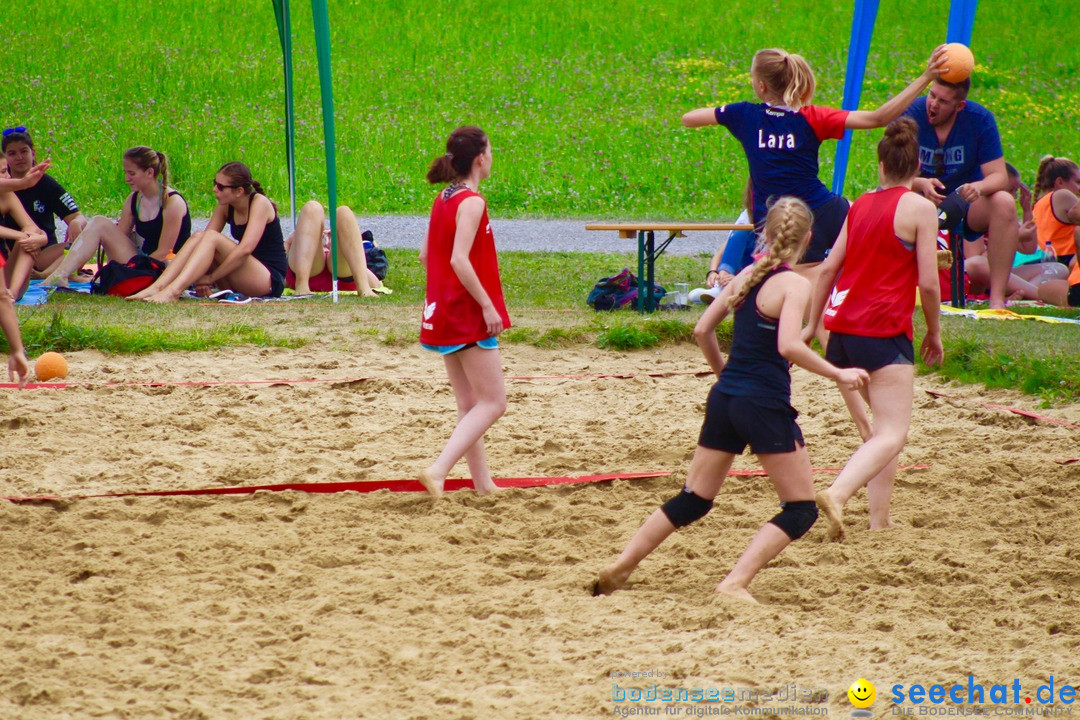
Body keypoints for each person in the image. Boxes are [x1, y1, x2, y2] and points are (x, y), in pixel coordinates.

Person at [593, 198, 868, 603]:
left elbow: (703, 330)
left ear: (763, 234)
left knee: (693, 500)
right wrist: (838, 371)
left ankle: (621, 566)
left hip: (726, 397)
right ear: (809, 239)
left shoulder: (743, 277)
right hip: (763, 402)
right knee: (800, 509)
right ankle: (733, 583)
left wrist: (727, 377)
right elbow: (790, 345)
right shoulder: (795, 285)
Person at [681, 46, 946, 278]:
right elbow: (877, 118)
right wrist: (926, 77)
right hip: (822, 209)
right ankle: (905, 254)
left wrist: (724, 113)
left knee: (785, 274)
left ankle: (889, 259)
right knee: (862, 219)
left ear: (761, 86)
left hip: (775, 218)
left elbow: (688, 118)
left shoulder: (743, 114)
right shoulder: (813, 117)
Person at [804, 118, 943, 542]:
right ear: (916, 165)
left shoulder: (859, 203)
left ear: (881, 164)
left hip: (844, 330)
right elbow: (929, 282)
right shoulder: (920, 209)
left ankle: (878, 521)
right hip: (883, 331)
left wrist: (812, 323)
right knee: (892, 433)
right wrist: (934, 332)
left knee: (883, 432)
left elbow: (828, 267)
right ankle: (839, 493)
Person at [417, 126, 510, 499]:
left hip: (441, 308)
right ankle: (438, 470)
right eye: (491, 150)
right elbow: (459, 259)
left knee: (469, 404)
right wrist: (487, 304)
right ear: (480, 158)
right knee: (494, 402)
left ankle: (483, 484)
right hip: (464, 310)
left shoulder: (443, 196)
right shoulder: (471, 201)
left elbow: (427, 256)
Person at [902, 77, 1016, 309]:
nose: (932, 104)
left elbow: (999, 176)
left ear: (959, 106)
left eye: (942, 101)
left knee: (1004, 202)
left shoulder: (980, 119)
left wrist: (979, 187)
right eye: (932, 95)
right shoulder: (912, 113)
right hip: (916, 200)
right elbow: (888, 174)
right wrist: (920, 183)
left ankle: (996, 301)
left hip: (964, 203)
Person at [128, 162, 287, 303]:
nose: (214, 189)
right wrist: (199, 277)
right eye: (214, 183)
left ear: (239, 191)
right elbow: (203, 244)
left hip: (268, 280)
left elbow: (245, 250)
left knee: (211, 238)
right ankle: (158, 287)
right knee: (199, 236)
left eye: (220, 187)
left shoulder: (259, 203)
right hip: (242, 276)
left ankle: (173, 292)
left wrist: (211, 278)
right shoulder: (226, 204)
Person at [42, 147, 191, 289]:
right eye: (125, 173)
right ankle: (60, 274)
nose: (127, 179)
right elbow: (118, 238)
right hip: (142, 263)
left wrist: (131, 268)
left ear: (150, 172)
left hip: (164, 266)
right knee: (99, 222)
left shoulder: (172, 202)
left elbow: (164, 251)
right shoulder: (134, 199)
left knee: (101, 225)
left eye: (132, 174)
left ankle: (63, 275)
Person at [0, 128, 87, 279]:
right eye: (12, 154)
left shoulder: (46, 183)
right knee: (29, 236)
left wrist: (76, 223)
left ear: (33, 153)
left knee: (90, 236)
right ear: (4, 158)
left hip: (43, 254)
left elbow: (77, 216)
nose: (19, 157)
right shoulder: (4, 189)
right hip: (12, 254)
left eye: (24, 151)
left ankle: (46, 274)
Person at [284, 201, 390, 296]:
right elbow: (281, 255)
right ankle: (302, 286)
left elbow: (375, 282)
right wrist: (291, 241)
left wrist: (337, 244)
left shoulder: (349, 251)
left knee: (344, 213)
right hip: (307, 269)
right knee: (312, 208)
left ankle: (363, 287)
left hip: (342, 272)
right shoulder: (308, 231)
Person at [1031, 155, 1080, 268]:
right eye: (1078, 183)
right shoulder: (1062, 195)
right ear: (1060, 182)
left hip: (1047, 259)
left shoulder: (1038, 204)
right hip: (1065, 259)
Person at [0, 183, 47, 300]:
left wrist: (42, 238)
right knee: (27, 236)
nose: (8, 177)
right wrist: (20, 235)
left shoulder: (7, 195)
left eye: (6, 171)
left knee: (31, 232)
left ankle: (12, 293)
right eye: (2, 172)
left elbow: (33, 228)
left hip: (5, 277)